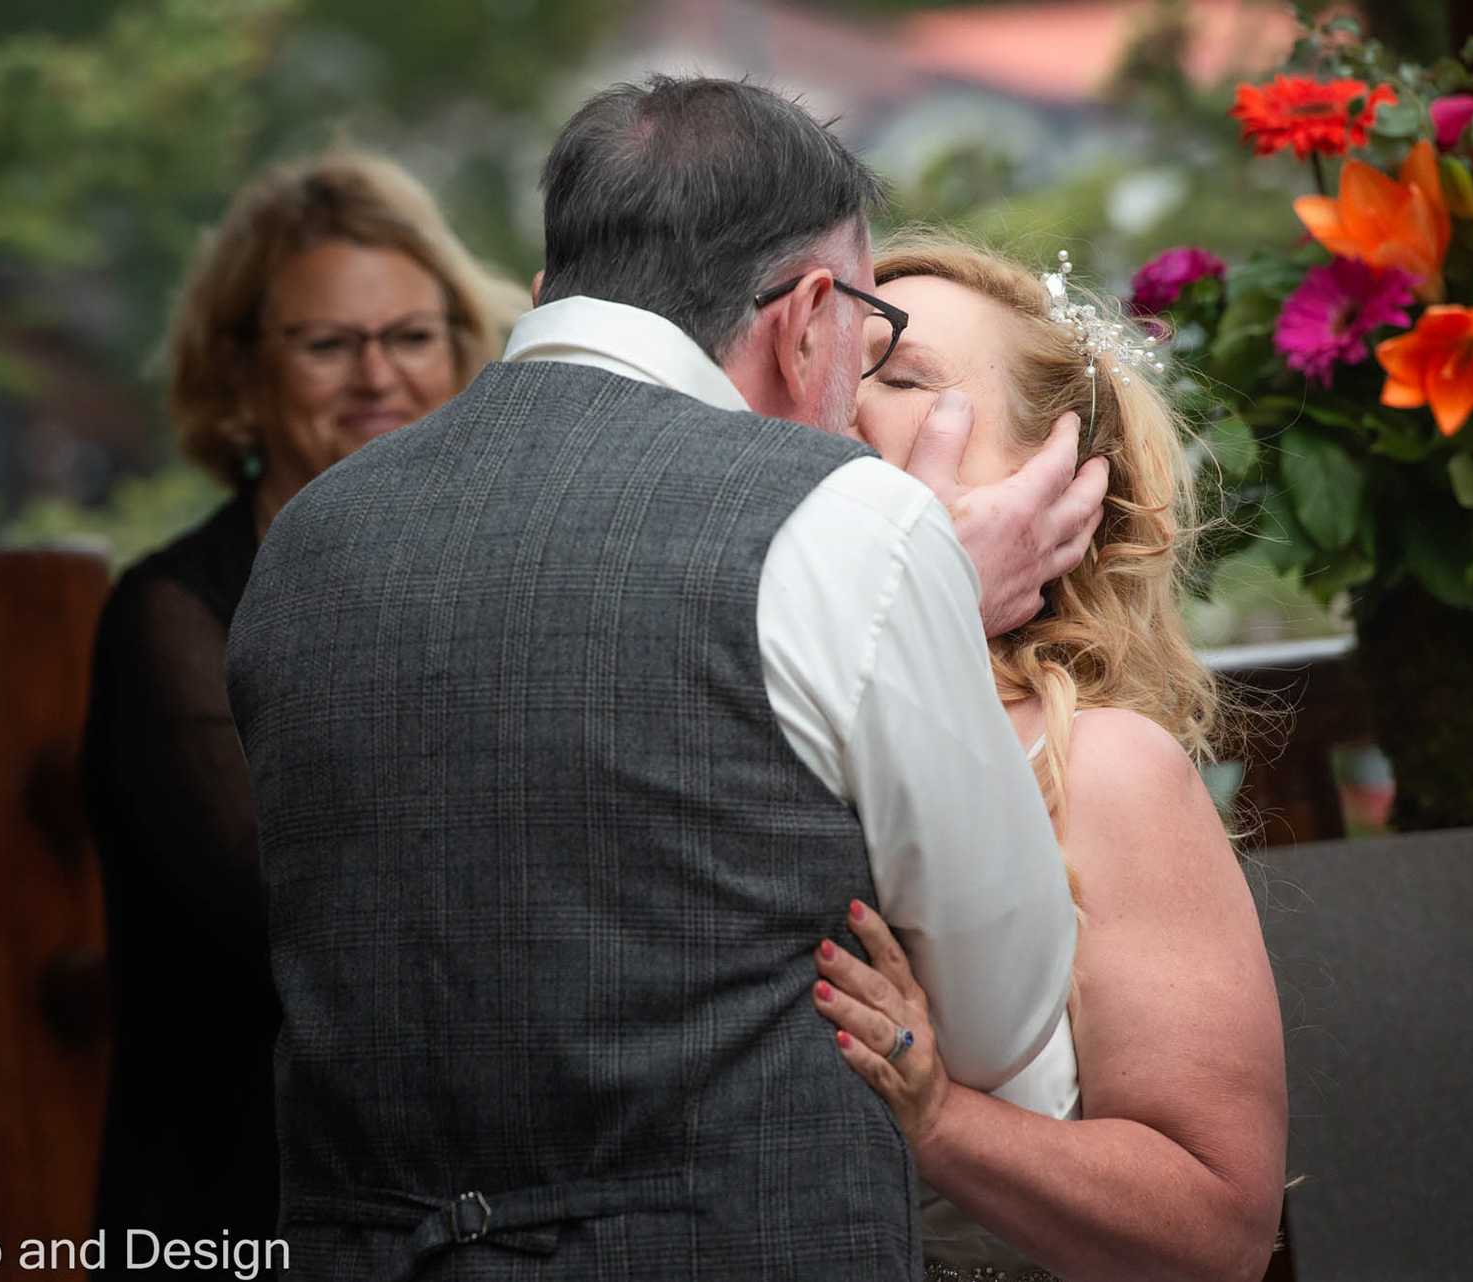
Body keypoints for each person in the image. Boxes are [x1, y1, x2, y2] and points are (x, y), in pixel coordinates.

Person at [227, 77, 1110, 1277]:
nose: (858, 383)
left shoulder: (306, 540)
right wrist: (929, 588)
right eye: (871, 334)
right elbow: (1002, 1010)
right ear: (808, 314)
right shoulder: (851, 521)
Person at [810, 233, 1288, 1281]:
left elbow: (1220, 1229)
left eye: (897, 375)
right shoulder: (754, 703)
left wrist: (940, 1119)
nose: (837, 400)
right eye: (823, 363)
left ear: (1051, 470)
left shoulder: (1105, 768)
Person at [80, 150, 524, 1271]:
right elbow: (280, 906)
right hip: (238, 1193)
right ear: (238, 372)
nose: (378, 377)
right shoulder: (171, 614)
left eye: (413, 337)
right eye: (329, 344)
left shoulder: (503, 580)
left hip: (466, 1197)